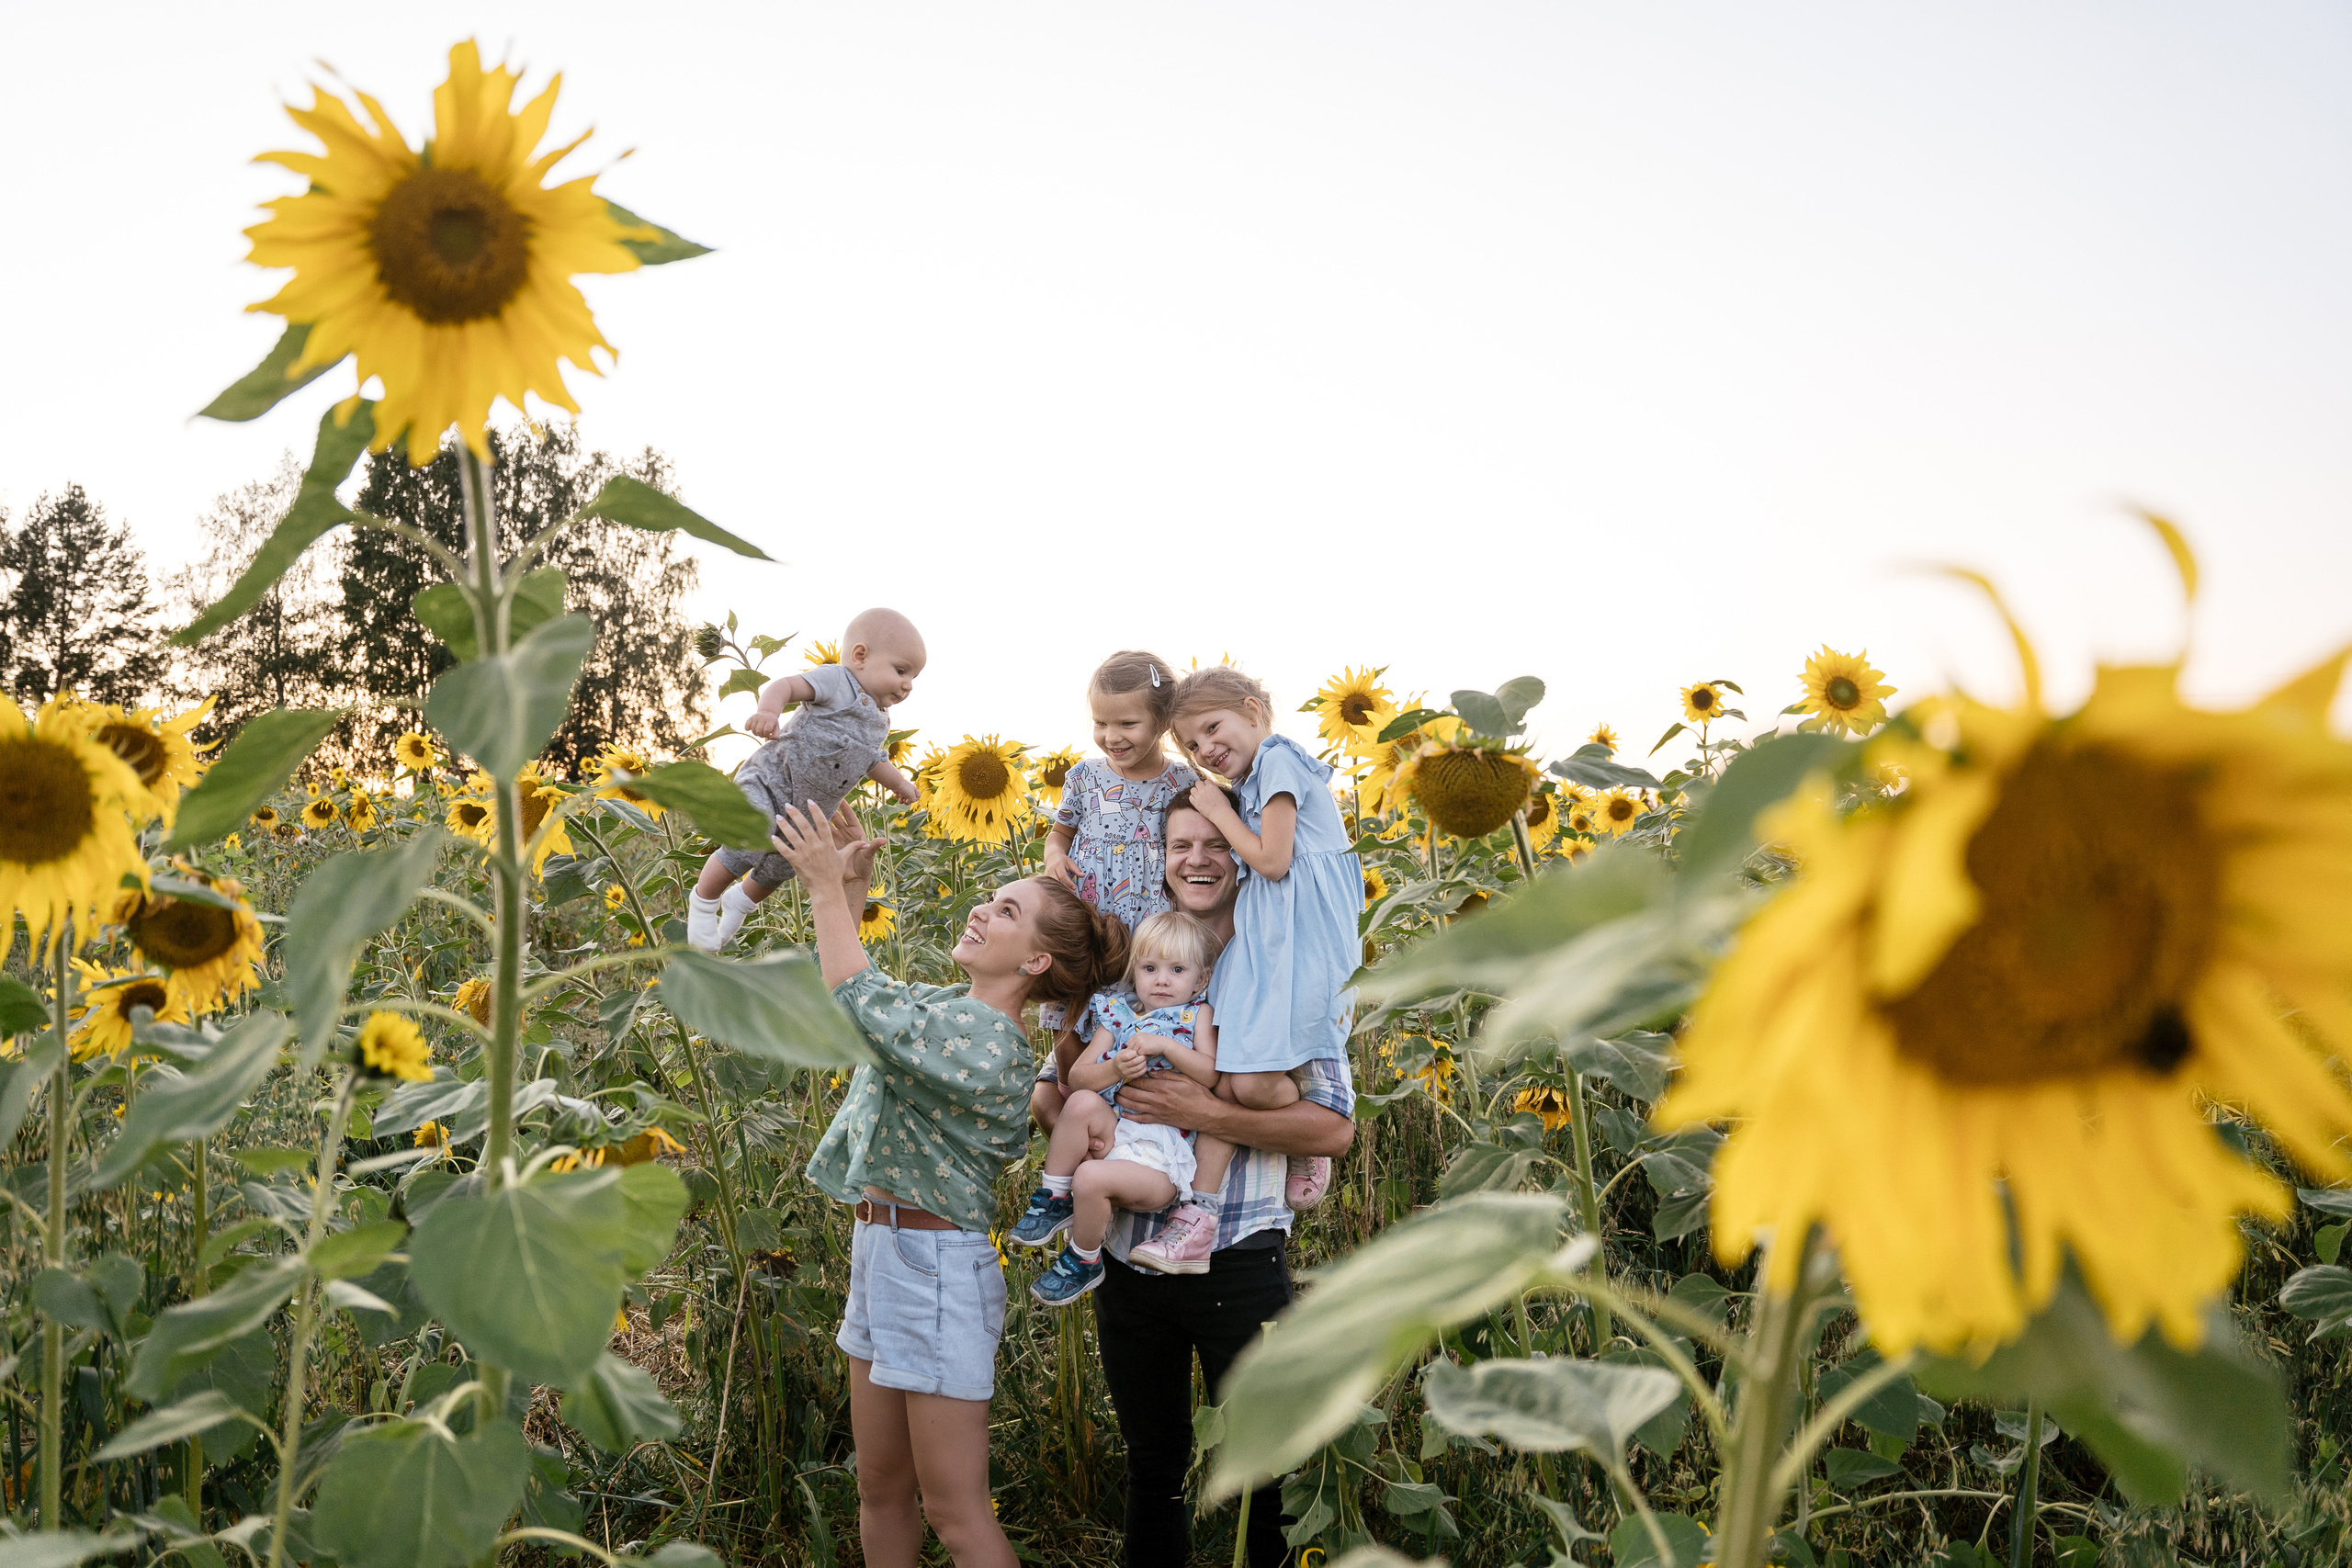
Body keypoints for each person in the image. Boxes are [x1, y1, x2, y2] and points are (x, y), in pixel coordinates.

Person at [773, 799, 1128, 1568]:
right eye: (992, 898)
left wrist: (825, 889)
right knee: (879, 1487)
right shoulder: (947, 1009)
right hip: (882, 1251)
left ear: (1036, 963)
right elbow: (851, 1006)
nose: (982, 909)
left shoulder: (993, 1044)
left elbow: (862, 1002)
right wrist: (851, 889)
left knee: (955, 1512)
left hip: (934, 1271)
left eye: (1007, 911)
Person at [1059, 791, 1358, 1568]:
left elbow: (1333, 1127)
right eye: (1179, 844)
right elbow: (1063, 1093)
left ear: (1244, 852)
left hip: (1240, 1252)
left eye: (1215, 843)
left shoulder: (1283, 970)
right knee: (1152, 1464)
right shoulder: (1140, 968)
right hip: (1130, 1252)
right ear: (1162, 860)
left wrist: (1205, 1109)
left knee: (1268, 1466)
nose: (1196, 858)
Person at [1128, 666, 1363, 1273]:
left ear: (1255, 710)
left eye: (1212, 728)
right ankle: (1209, 1202)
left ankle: (1292, 1151)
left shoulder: (1279, 759)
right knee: (1240, 1083)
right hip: (1271, 947)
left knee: (1249, 1084)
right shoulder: (1152, 952)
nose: (1204, 749)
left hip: (1303, 951)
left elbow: (1273, 861)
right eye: (1191, 743)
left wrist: (1214, 805)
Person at [1009, 911, 1224, 1302]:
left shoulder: (1197, 1015)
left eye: (1177, 969)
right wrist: (1114, 1068)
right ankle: (1054, 1197)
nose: (1162, 980)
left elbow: (1210, 1074)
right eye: (1149, 968)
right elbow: (1078, 1078)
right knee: (1082, 1102)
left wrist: (1167, 1046)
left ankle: (1084, 1258)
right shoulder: (1118, 1015)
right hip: (1116, 1129)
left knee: (1090, 1177)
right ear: (1134, 972)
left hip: (1160, 1159)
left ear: (1200, 979)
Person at [687, 608, 925, 950]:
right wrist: (768, 711)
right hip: (772, 782)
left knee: (785, 863)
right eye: (901, 671)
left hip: (808, 812)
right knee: (747, 839)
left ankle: (741, 901)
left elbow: (873, 759)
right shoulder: (837, 680)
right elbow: (785, 685)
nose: (908, 685)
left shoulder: (880, 720)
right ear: (860, 656)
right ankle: (704, 901)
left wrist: (900, 784)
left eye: (913, 677)